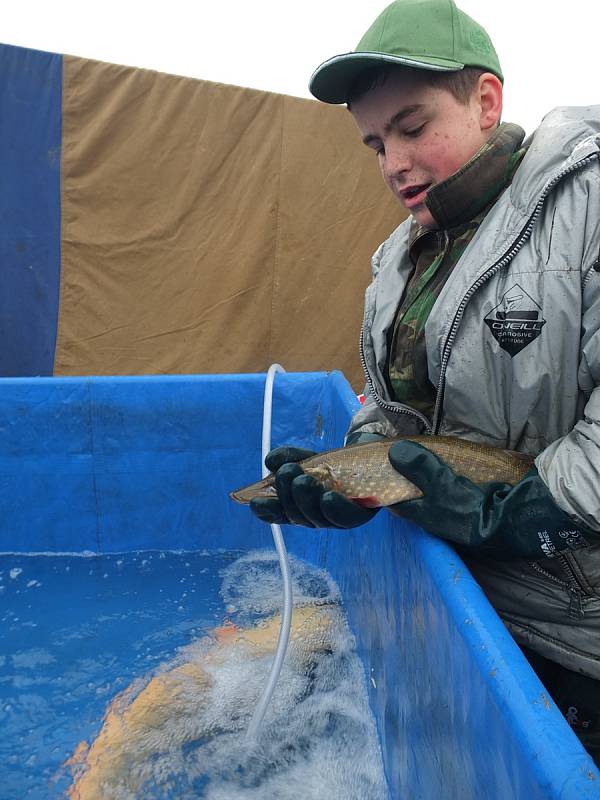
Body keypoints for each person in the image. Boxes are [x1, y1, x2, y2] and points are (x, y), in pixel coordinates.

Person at [249, 0, 600, 763]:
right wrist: (353, 473)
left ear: (486, 100)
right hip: (462, 603)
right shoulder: (393, 268)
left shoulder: (590, 203)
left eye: (412, 127)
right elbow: (394, 410)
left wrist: (531, 510)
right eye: (374, 143)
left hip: (582, 635)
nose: (393, 164)